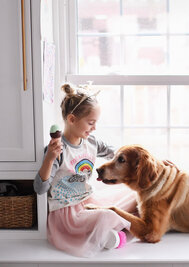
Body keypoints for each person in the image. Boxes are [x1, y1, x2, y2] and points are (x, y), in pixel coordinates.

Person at [34, 84, 136, 257]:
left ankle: (107, 235)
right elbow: (40, 188)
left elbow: (120, 154)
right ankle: (108, 236)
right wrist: (50, 158)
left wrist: (152, 161)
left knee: (134, 197)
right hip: (68, 212)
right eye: (91, 123)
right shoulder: (58, 151)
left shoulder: (92, 143)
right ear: (72, 119)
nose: (94, 128)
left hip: (88, 201)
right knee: (106, 216)